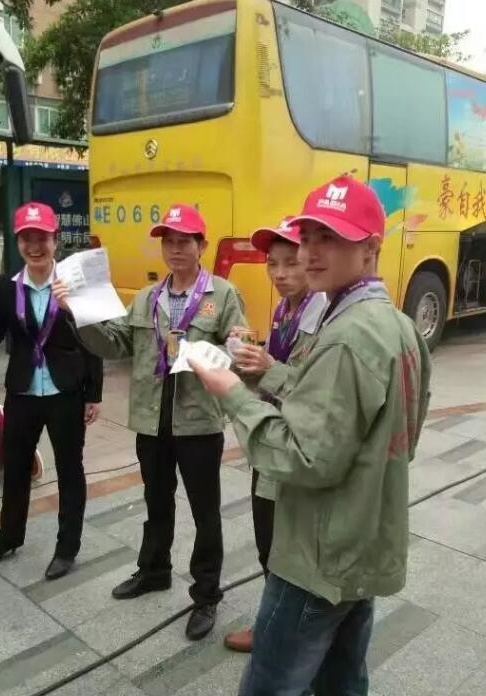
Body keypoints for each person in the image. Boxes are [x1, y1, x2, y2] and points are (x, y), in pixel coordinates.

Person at [190, 177, 432, 695]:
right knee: (342, 680)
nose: (311, 253)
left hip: (318, 556)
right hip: (362, 540)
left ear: (371, 248)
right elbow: (403, 434)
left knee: (271, 684)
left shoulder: (346, 336)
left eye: (332, 238)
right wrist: (271, 377)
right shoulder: (397, 325)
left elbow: (303, 457)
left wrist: (231, 392)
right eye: (308, 237)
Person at [53, 203, 246, 641]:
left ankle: (206, 594)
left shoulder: (222, 295)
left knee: (205, 512)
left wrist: (214, 350)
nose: (175, 249)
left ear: (202, 245)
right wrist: (77, 313)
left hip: (198, 423)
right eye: (169, 241)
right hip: (151, 419)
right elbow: (115, 344)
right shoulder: (146, 298)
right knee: (157, 502)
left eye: (184, 241)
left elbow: (238, 348)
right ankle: (154, 570)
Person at [0, 202, 103, 581]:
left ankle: (67, 547)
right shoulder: (6, 288)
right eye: (27, 238)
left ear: (55, 240)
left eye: (42, 237)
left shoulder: (73, 283)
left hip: (66, 392)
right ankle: (8, 537)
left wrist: (93, 393)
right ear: (18, 243)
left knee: (70, 469)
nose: (34, 246)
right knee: (15, 469)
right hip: (23, 391)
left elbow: (92, 339)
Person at [224, 216, 327, 654]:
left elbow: (319, 393)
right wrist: (244, 358)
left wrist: (269, 367)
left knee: (287, 546)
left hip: (297, 448)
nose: (280, 274)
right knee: (268, 540)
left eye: (291, 262)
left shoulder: (324, 316)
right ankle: (278, 625)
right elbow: (275, 375)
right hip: (272, 438)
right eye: (272, 263)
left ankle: (282, 635)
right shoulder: (286, 310)